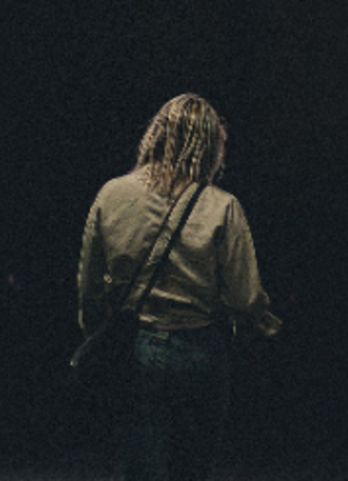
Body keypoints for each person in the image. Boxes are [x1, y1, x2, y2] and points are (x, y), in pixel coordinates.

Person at [77, 93, 280, 480]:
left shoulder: (112, 194)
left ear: (155, 135)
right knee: (192, 468)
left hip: (135, 348)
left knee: (141, 468)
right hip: (201, 350)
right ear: (210, 147)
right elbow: (245, 297)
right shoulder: (223, 207)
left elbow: (90, 287)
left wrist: (99, 336)